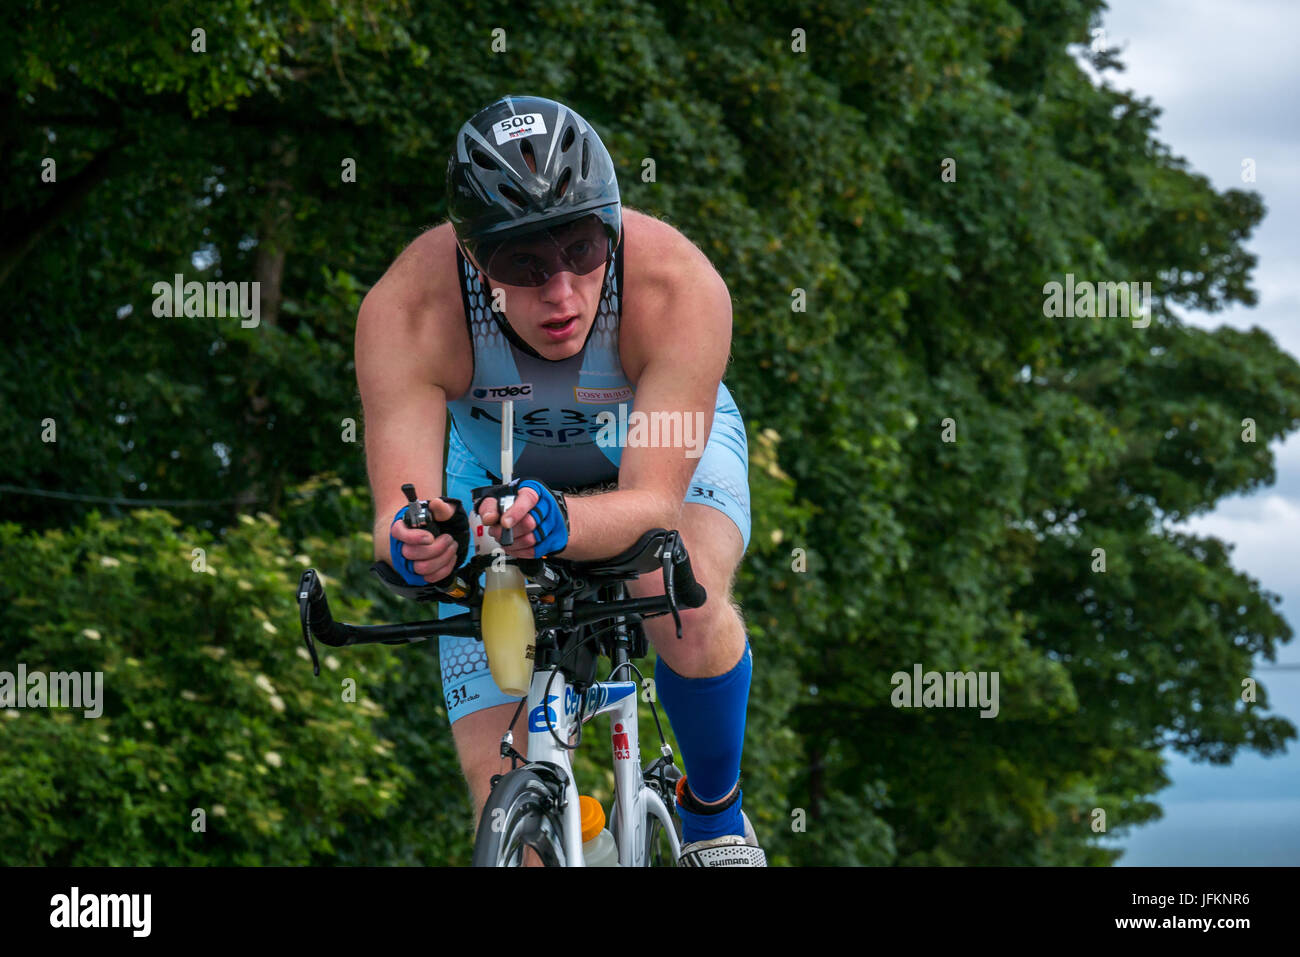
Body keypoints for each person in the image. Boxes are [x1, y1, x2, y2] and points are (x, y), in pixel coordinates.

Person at [356, 94, 764, 866]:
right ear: (473, 259)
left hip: (662, 448)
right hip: (497, 471)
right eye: (524, 266)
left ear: (610, 225)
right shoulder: (410, 309)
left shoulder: (676, 286)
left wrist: (561, 521)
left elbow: (651, 505)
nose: (563, 293)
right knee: (504, 798)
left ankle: (714, 813)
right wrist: (421, 544)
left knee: (681, 595)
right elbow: (396, 511)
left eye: (583, 249)